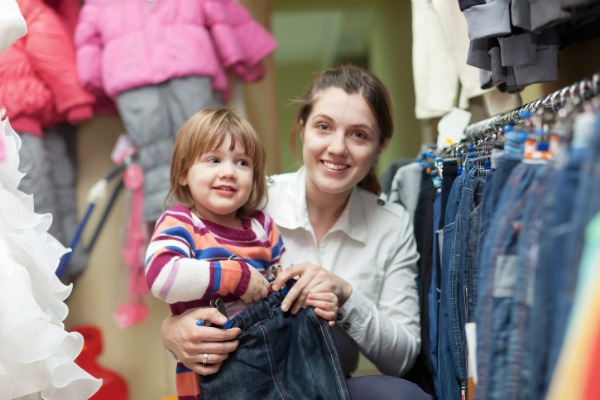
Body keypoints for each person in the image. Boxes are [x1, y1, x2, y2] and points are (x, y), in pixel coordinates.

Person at [160, 65, 432, 399]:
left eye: (359, 135)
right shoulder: (250, 201)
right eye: (324, 127)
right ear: (302, 129)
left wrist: (346, 295)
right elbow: (190, 281)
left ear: (380, 147)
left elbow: (402, 358)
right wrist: (172, 330)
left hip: (325, 383)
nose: (337, 148)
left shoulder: (392, 223)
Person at [145, 108, 341, 398]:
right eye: (213, 160)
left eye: (242, 162)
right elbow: (162, 277)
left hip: (279, 361)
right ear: (184, 173)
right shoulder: (182, 223)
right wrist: (235, 276)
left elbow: (283, 285)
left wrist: (311, 297)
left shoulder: (262, 226)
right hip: (213, 368)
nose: (229, 171)